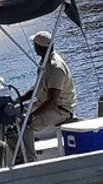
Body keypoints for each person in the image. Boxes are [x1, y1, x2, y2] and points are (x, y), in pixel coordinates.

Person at [17, 31, 76, 162]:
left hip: (61, 109)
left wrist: (32, 115)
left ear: (39, 47)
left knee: (25, 125)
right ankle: (20, 155)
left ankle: (31, 161)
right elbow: (37, 88)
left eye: (34, 45)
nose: (33, 47)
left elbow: (52, 100)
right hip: (45, 102)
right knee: (14, 116)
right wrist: (18, 100)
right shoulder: (45, 63)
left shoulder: (56, 68)